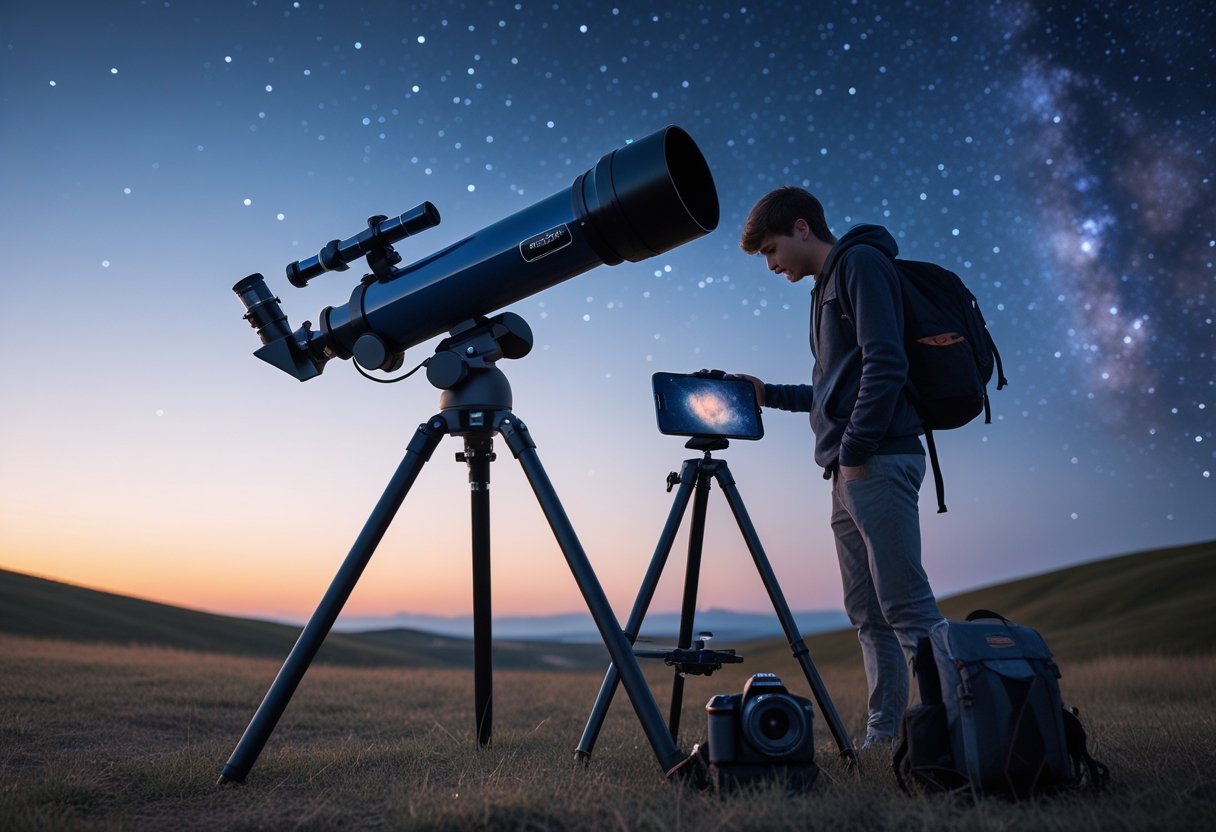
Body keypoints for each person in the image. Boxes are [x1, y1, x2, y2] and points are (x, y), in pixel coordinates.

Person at [732, 186, 945, 750]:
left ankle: (961, 725)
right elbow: (835, 390)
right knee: (868, 612)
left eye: (772, 250)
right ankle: (886, 734)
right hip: (849, 470)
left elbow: (887, 364)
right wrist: (766, 393)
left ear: (802, 229)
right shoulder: (824, 289)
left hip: (874, 460)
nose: (772, 264)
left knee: (905, 604)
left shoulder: (861, 264)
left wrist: (853, 453)